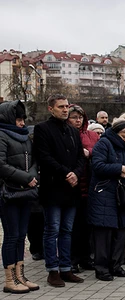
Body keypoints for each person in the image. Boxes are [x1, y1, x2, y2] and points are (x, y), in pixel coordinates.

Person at [34, 94, 85, 287]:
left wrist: (76, 174)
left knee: (67, 230)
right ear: (51, 109)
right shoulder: (42, 129)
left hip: (71, 189)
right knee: (52, 230)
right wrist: (67, 173)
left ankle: (66, 268)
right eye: (61, 107)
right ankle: (52, 270)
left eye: (67, 106)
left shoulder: (72, 131)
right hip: (53, 188)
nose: (65, 110)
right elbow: (45, 157)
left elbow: (80, 157)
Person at [88, 120, 125, 281]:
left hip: (121, 193)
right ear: (116, 133)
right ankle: (102, 268)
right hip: (104, 192)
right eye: (123, 136)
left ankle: (116, 265)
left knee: (120, 231)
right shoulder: (104, 144)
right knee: (104, 232)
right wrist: (119, 169)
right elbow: (98, 165)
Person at [0, 100, 39, 293]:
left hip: (26, 191)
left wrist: (31, 177)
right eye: (18, 119)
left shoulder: (25, 137)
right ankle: (10, 279)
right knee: (11, 235)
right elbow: (1, 165)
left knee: (21, 235)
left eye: (23, 119)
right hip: (9, 192)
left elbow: (34, 161)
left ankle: (20, 275)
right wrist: (26, 178)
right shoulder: (1, 135)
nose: (22, 123)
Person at [67, 105, 98, 273]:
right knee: (73, 226)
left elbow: (100, 150)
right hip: (73, 185)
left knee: (87, 226)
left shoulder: (92, 135)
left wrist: (90, 152)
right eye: (74, 117)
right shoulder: (66, 135)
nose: (77, 120)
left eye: (80, 117)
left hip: (90, 184)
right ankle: (73, 259)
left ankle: (86, 257)